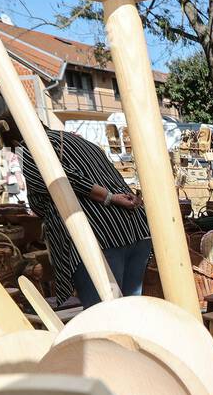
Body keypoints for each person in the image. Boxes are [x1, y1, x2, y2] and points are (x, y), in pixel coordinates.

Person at [17, 127, 152, 306]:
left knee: (104, 315)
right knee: (130, 309)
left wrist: (108, 197)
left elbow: (62, 180)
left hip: (100, 233)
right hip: (135, 229)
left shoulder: (30, 147)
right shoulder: (82, 142)